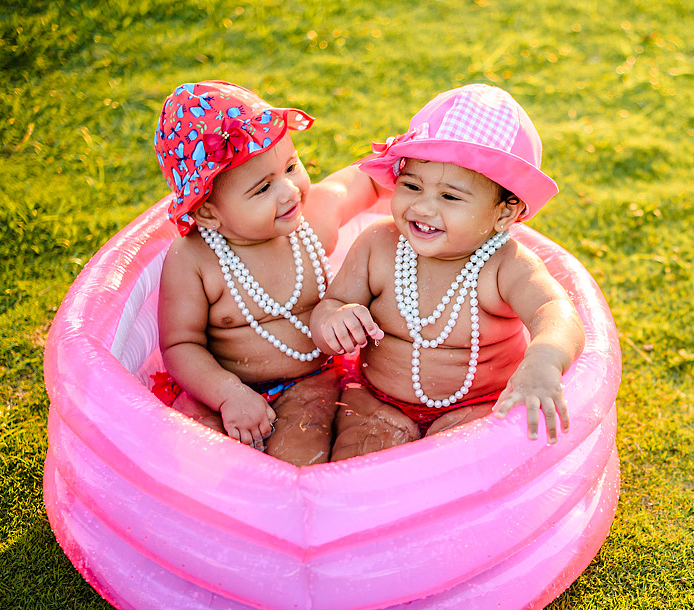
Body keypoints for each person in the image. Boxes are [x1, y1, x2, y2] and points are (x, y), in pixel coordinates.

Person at [310, 84, 585, 459]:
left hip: (477, 404)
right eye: (411, 186)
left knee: (464, 465)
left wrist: (544, 361)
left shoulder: (505, 266)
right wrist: (335, 318)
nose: (422, 207)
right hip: (377, 399)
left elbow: (555, 312)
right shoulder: (378, 246)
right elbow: (332, 303)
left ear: (504, 213)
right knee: (358, 459)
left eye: (450, 196)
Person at [153, 81, 381, 465]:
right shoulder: (195, 259)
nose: (289, 190)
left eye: (291, 166)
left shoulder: (312, 224)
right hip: (220, 386)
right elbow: (179, 346)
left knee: (300, 454)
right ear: (208, 212)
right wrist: (226, 393)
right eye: (262, 189)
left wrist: (422, 177)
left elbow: (367, 179)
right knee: (193, 455)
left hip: (310, 380)